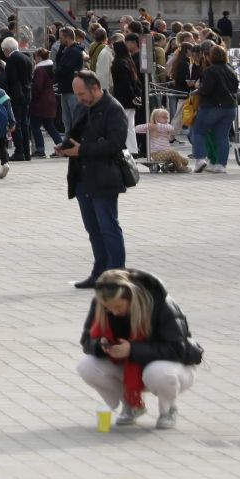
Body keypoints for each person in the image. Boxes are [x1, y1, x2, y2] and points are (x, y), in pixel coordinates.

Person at [74, 267, 202, 429]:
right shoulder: (101, 303)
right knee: (87, 366)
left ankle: (168, 409)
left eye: (118, 307)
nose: (113, 312)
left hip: (172, 367)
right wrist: (101, 346)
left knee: (159, 372)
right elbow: (86, 341)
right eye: (108, 308)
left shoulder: (160, 304)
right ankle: (132, 404)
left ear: (131, 297)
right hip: (129, 368)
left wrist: (133, 350)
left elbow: (177, 349)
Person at [61, 71, 134, 288]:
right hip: (82, 176)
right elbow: (74, 135)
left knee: (108, 226)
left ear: (95, 88)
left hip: (105, 177)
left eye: (81, 93)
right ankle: (99, 272)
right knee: (93, 228)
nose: (79, 98)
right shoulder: (83, 106)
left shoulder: (113, 109)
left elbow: (115, 144)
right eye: (76, 94)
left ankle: (117, 275)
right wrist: (65, 147)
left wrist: (82, 150)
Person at [189, 46, 240, 171]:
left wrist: (198, 90)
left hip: (212, 106)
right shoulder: (231, 69)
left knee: (198, 131)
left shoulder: (210, 70)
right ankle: (221, 165)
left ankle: (200, 159)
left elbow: (207, 89)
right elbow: (235, 87)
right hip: (229, 107)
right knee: (223, 136)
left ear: (210, 57)